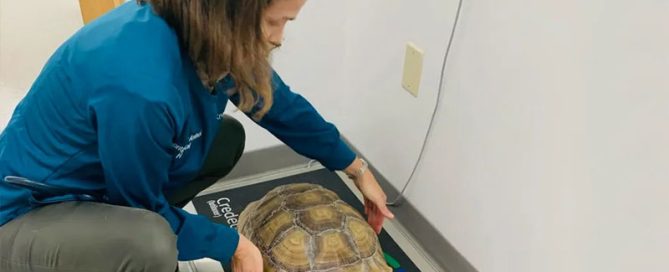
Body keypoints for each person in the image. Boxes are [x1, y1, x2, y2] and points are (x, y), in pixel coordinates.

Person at [0, 0, 395, 271]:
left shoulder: (202, 28)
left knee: (224, 140)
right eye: (275, 21)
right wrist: (232, 245)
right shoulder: (142, 86)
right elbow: (137, 204)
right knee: (150, 241)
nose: (279, 38)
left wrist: (355, 167)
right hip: (25, 214)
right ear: (233, 13)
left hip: (97, 183)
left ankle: (153, 233)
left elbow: (280, 105)